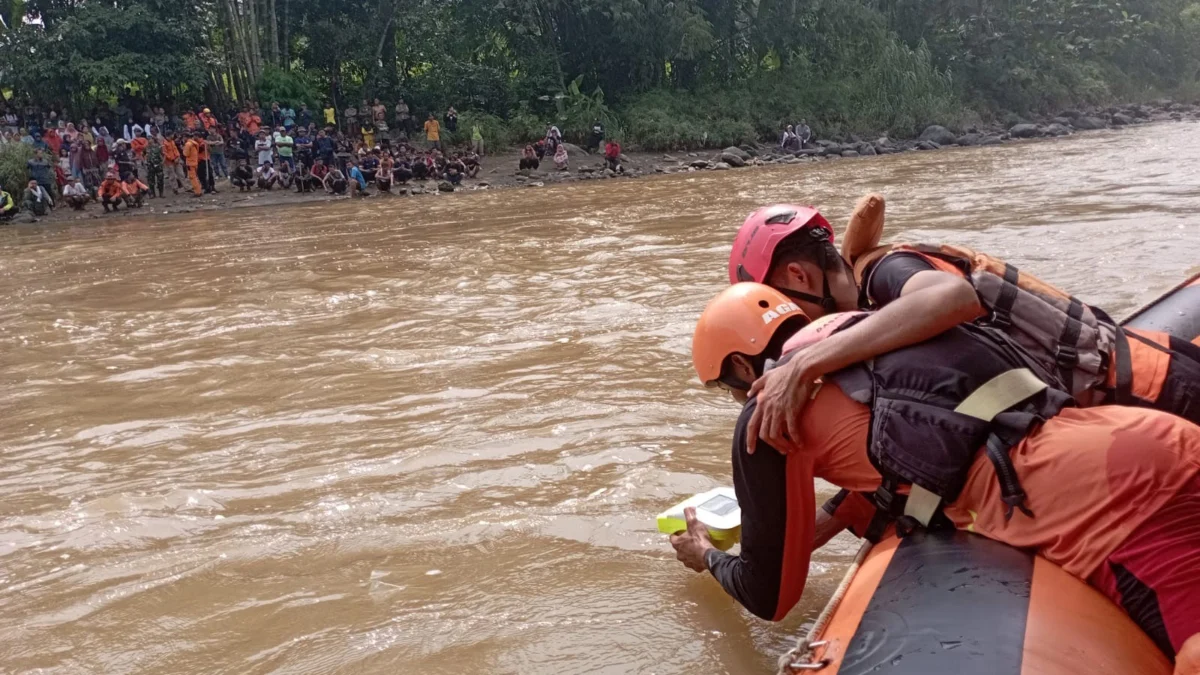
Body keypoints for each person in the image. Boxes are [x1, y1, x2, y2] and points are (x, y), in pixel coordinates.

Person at [676, 282, 1200, 670]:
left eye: (728, 390)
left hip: (1111, 509)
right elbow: (922, 461)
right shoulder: (884, 325)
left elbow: (769, 595)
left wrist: (708, 556)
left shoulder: (769, 412)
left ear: (744, 371)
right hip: (1153, 438)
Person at [734, 201, 1200, 452]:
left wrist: (805, 366)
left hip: (1153, 391)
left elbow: (952, 297)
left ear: (799, 276)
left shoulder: (886, 272)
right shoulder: (878, 313)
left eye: (782, 304)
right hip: (1141, 386)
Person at [182, 131, 203, 196]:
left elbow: (186, 154)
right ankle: (199, 190)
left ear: (186, 137)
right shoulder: (195, 143)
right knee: (196, 177)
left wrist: (183, 149)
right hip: (195, 161)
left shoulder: (188, 144)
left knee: (192, 178)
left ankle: (197, 192)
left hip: (190, 163)